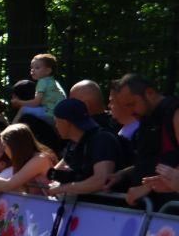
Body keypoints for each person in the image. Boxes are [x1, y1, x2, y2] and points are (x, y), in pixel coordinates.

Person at [111, 73, 179, 207]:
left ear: (150, 93)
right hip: (149, 209)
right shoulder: (146, 119)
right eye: (125, 106)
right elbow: (152, 161)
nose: (130, 111)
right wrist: (122, 174)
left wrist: (147, 187)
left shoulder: (174, 112)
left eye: (131, 104)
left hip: (168, 209)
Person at [47, 98, 122, 197]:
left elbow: (101, 180)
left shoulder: (102, 140)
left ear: (66, 123)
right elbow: (57, 171)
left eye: (56, 122)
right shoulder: (74, 144)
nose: (56, 126)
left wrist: (62, 189)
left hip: (104, 205)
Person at [0, 123, 56, 197]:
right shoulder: (20, 164)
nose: (4, 151)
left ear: (16, 147)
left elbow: (8, 186)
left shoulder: (40, 160)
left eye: (4, 147)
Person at [11, 53, 66, 124]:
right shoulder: (53, 81)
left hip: (50, 114)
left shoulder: (43, 82)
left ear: (48, 71)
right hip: (59, 116)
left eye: (37, 68)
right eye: (32, 68)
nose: (32, 70)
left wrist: (19, 102)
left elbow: (36, 103)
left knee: (23, 109)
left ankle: (11, 128)